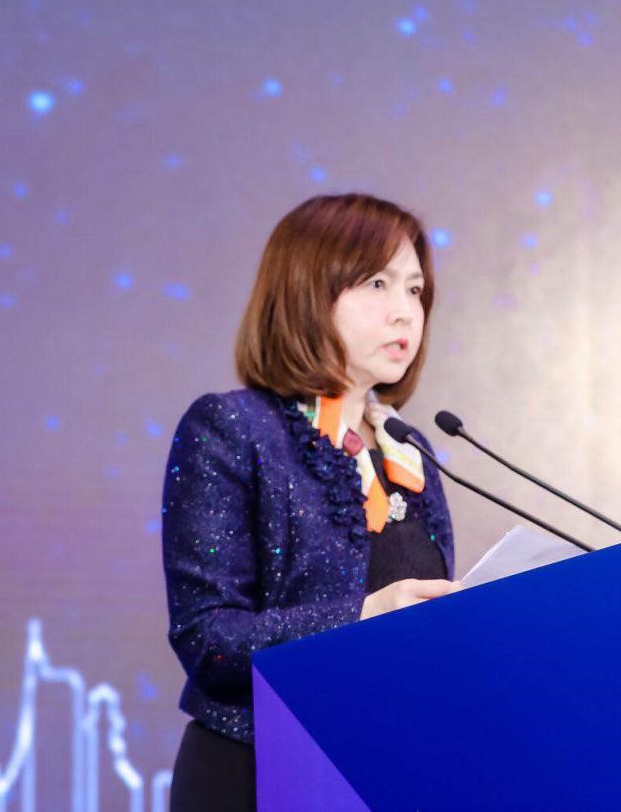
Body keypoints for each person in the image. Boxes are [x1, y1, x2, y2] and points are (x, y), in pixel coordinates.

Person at [162, 193, 459, 811]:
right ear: (307, 292)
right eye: (377, 284)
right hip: (258, 774)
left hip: (386, 773)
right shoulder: (234, 429)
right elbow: (208, 639)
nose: (405, 311)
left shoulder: (409, 448)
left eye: (415, 290)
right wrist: (363, 618)